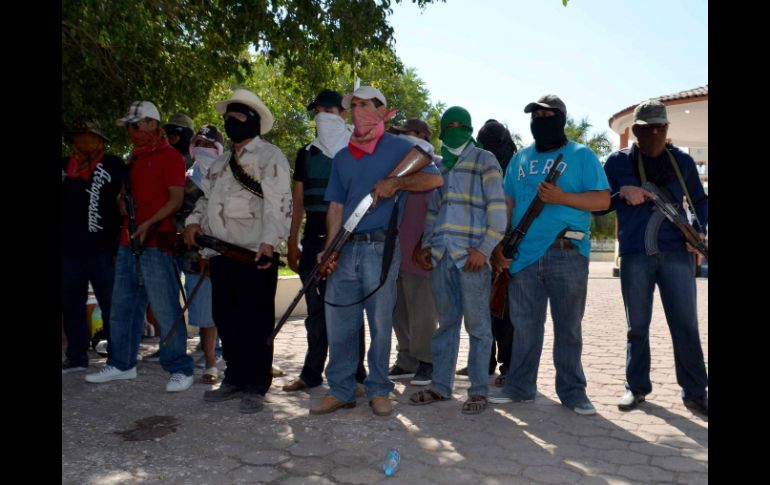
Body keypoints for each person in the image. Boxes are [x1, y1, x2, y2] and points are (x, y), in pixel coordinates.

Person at [309, 86, 443, 417]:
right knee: (340, 322)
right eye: (353, 105)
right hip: (346, 247)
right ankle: (341, 390)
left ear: (383, 111)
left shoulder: (400, 147)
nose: (358, 111)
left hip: (381, 248)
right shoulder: (342, 156)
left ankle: (379, 389)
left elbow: (433, 180)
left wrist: (396, 183)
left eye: (366, 105)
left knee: (381, 325)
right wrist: (329, 249)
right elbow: (336, 206)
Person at [489, 95, 610, 416]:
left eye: (548, 115)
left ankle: (573, 393)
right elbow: (507, 204)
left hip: (566, 252)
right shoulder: (520, 158)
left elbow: (602, 200)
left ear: (561, 118)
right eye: (536, 116)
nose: (541, 120)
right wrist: (498, 245)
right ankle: (519, 387)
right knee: (524, 328)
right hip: (523, 256)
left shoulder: (581, 155)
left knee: (568, 328)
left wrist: (563, 197)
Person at [184, 88, 292, 413]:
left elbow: (279, 204)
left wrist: (269, 243)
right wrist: (193, 223)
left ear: (253, 121)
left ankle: (255, 386)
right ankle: (234, 378)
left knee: (255, 322)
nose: (231, 121)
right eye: (228, 117)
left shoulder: (270, 156)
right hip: (221, 254)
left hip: (254, 254)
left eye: (238, 116)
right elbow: (206, 199)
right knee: (226, 319)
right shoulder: (220, 162)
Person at [598, 99, 708, 415]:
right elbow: (599, 204)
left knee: (686, 325)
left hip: (677, 254)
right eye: (648, 129)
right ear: (635, 131)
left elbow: (700, 201)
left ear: (667, 128)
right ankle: (636, 388)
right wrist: (622, 194)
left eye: (661, 128)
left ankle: (696, 392)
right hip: (636, 254)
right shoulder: (618, 163)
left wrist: (699, 232)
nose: (656, 134)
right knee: (637, 327)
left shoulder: (681, 161)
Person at [85, 101, 194, 392]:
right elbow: (124, 197)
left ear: (151, 124)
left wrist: (149, 223)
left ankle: (180, 368)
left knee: (165, 308)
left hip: (158, 242)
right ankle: (122, 363)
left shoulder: (171, 157)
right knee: (122, 306)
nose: (132, 132)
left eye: (136, 126)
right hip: (128, 241)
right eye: (129, 127)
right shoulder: (132, 159)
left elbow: (176, 200)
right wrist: (122, 203)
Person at [408, 107, 507, 414]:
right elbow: (433, 212)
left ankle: (478, 391)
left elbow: (497, 209)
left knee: (478, 326)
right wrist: (427, 245)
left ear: (469, 128)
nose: (454, 130)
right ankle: (441, 386)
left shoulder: (485, 160)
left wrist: (485, 249)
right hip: (442, 256)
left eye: (459, 125)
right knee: (446, 324)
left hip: (471, 257)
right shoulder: (439, 167)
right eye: (448, 125)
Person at [283, 89, 368, 395]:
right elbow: (298, 201)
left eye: (328, 111)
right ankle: (311, 373)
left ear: (343, 114)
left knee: (350, 311)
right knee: (315, 312)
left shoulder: (357, 149)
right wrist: (292, 241)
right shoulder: (306, 154)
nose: (322, 117)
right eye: (317, 111)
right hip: (313, 240)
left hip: (349, 239)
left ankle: (357, 376)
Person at [61, 118, 124, 373]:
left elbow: (125, 200)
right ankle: (76, 356)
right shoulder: (64, 166)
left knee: (111, 304)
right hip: (69, 249)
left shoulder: (114, 165)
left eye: (90, 136)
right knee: (71, 304)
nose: (85, 141)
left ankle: (117, 357)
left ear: (99, 141)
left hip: (104, 248)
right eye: (79, 137)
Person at [386, 118, 440, 386]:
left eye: (405, 134)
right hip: (394, 253)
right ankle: (406, 359)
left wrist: (428, 244)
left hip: (420, 254)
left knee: (423, 312)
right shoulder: (396, 169)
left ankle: (428, 361)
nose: (400, 139)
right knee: (398, 311)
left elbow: (440, 212)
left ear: (421, 136)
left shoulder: (436, 169)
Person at [182, 124, 225, 384]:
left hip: (228, 253)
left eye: (209, 144)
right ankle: (210, 361)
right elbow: (182, 215)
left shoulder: (230, 174)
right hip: (194, 257)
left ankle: (242, 358)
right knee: (205, 314)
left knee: (233, 310)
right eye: (198, 143)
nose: (203, 148)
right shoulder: (186, 178)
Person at [477, 119, 517, 386]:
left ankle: (509, 367)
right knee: (484, 309)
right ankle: (485, 362)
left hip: (510, 247)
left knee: (507, 311)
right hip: (482, 246)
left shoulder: (515, 168)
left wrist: (503, 246)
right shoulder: (480, 166)